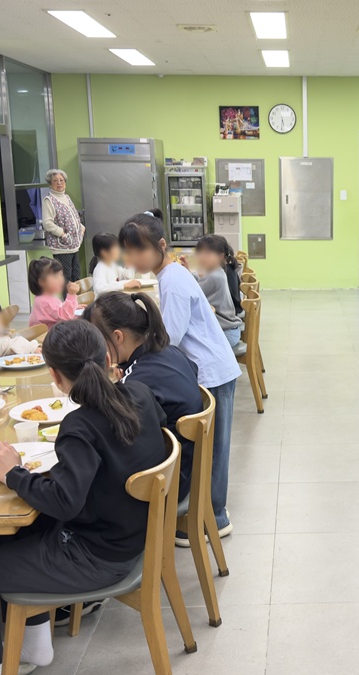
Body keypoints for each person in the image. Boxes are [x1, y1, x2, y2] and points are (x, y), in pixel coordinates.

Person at [0, 320, 170, 675]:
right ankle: (36, 647)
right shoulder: (140, 393)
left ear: (54, 376)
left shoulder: (79, 426)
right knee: (13, 532)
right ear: (107, 357)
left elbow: (64, 503)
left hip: (99, 557)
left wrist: (13, 473)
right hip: (134, 536)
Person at [120, 209, 241, 539]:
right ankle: (208, 513)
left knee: (213, 450)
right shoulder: (170, 274)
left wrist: (132, 356)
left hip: (213, 370)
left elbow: (168, 337)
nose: (134, 258)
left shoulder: (172, 281)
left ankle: (216, 518)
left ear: (161, 246)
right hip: (209, 366)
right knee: (210, 449)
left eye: (140, 249)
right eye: (129, 251)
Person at [84, 291, 203, 503]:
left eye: (98, 340)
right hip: (186, 468)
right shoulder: (168, 351)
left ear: (118, 337)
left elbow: (117, 434)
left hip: (165, 483)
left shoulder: (138, 381)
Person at [188, 234, 245, 352]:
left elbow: (190, 294)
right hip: (228, 330)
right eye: (200, 252)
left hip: (225, 333)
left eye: (208, 253)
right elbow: (198, 277)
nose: (202, 257)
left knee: (188, 345)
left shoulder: (214, 276)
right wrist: (188, 271)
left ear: (220, 256)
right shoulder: (216, 271)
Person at [40, 169, 85, 282]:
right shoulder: (49, 200)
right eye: (55, 181)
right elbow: (47, 223)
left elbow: (73, 216)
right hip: (62, 247)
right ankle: (66, 295)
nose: (59, 183)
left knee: (76, 275)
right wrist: (62, 234)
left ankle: (75, 295)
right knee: (66, 278)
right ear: (50, 184)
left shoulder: (66, 197)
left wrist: (81, 228)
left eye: (61, 180)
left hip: (73, 245)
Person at [28, 257, 80, 328]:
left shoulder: (47, 297)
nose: (61, 279)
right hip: (50, 334)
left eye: (61, 275)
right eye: (55, 276)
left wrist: (74, 308)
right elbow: (65, 317)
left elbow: (58, 310)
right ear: (42, 282)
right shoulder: (44, 302)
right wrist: (71, 295)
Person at [89, 232, 140, 297]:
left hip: (113, 300)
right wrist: (123, 285)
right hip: (105, 302)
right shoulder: (101, 268)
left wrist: (128, 265)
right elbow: (100, 288)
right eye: (115, 248)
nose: (119, 250)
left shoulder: (112, 264)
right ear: (104, 252)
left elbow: (126, 278)